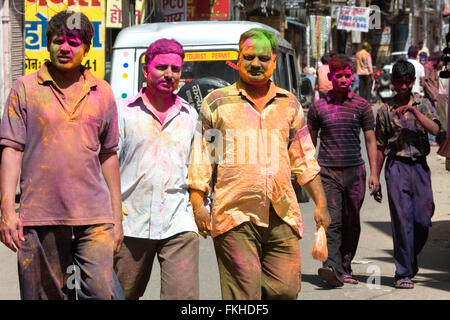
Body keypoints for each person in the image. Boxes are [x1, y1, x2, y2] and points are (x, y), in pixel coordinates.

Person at [188, 28, 331, 300]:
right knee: (244, 295)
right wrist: (198, 205)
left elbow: (304, 160)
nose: (256, 64)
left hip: (282, 214)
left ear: (274, 61)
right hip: (234, 215)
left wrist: (321, 204)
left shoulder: (289, 105)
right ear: (238, 60)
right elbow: (203, 158)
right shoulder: (217, 104)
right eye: (249, 57)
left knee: (286, 290)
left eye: (263, 58)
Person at [0, 11, 123, 299]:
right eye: (58, 41)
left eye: (73, 42)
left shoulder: (102, 92)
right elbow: (12, 150)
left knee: (102, 291)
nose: (65, 48)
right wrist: (6, 211)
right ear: (48, 43)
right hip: (40, 214)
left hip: (94, 217)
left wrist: (117, 216)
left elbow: (109, 155)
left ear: (86, 48)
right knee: (46, 295)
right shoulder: (25, 89)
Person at [113, 39, 200, 300]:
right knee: (121, 295)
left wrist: (202, 207)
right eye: (162, 67)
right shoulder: (123, 113)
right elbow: (106, 166)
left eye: (175, 69)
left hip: (178, 222)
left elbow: (198, 167)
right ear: (146, 70)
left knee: (182, 298)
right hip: (130, 224)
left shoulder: (190, 116)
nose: (169, 75)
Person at [307, 54, 379, 287]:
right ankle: (332, 267)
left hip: (355, 173)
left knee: (352, 221)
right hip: (328, 172)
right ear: (331, 77)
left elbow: (370, 141)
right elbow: (311, 141)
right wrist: (308, 173)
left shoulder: (362, 106)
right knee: (333, 221)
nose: (345, 79)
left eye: (348, 75)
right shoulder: (318, 107)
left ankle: (345, 267)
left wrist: (375, 174)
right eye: (340, 76)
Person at [373, 60, 440, 289]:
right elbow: (380, 146)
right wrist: (375, 176)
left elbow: (435, 129)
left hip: (419, 166)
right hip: (396, 167)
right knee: (402, 221)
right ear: (393, 83)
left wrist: (413, 110)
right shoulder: (384, 111)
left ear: (413, 82)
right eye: (399, 82)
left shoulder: (423, 104)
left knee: (423, 218)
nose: (404, 87)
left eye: (408, 82)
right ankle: (403, 272)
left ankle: (410, 260)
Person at [423, 51, 448, 144]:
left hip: (437, 97)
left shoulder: (435, 68)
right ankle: (431, 139)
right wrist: (435, 97)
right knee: (431, 116)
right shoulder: (428, 67)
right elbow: (427, 84)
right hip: (431, 98)